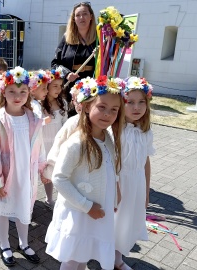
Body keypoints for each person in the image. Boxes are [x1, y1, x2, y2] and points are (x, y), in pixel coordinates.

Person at [45, 76, 125, 270]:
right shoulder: (77, 142)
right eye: (102, 107)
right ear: (87, 106)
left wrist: (114, 193)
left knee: (83, 255)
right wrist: (87, 206)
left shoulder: (107, 137)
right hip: (80, 212)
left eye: (114, 110)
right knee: (72, 258)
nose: (107, 114)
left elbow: (109, 168)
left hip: (96, 209)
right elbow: (59, 178)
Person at [0, 66, 45, 266]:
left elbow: (39, 145)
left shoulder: (33, 118)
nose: (17, 96)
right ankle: (4, 244)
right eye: (12, 91)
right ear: (3, 91)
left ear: (29, 93)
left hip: (25, 174)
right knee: (2, 209)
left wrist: (42, 166)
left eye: (22, 92)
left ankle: (24, 243)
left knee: (23, 208)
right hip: (5, 174)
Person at [114, 77, 155, 270]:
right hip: (118, 182)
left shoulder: (145, 132)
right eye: (130, 102)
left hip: (136, 183)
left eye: (141, 102)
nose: (136, 107)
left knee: (127, 223)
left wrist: (146, 192)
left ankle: (118, 259)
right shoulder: (114, 130)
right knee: (114, 221)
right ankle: (105, 255)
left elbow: (146, 162)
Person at [51, 2, 97, 115]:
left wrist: (100, 55)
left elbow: (108, 63)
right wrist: (66, 74)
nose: (82, 17)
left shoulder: (99, 39)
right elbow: (55, 63)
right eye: (78, 15)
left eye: (85, 14)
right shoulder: (67, 38)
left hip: (92, 88)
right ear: (74, 19)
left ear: (91, 17)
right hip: (69, 89)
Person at [40, 67, 69, 209]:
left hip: (57, 142)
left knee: (55, 170)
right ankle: (48, 198)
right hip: (42, 143)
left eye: (60, 86)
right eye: (55, 86)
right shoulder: (39, 104)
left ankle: (53, 198)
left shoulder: (62, 103)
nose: (58, 89)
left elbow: (65, 123)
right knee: (44, 171)